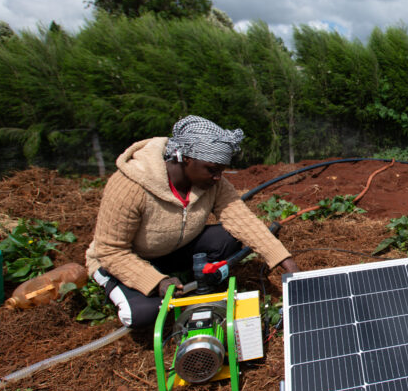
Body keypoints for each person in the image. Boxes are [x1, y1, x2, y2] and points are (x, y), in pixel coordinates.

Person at [86, 115, 299, 328]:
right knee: (144, 314)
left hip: (170, 251)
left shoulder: (213, 184)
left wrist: (285, 261)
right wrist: (155, 281)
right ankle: (112, 282)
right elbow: (110, 250)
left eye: (221, 170)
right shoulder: (130, 185)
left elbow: (242, 220)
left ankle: (184, 281)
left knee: (227, 239)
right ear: (185, 158)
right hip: (121, 259)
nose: (218, 177)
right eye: (211, 169)